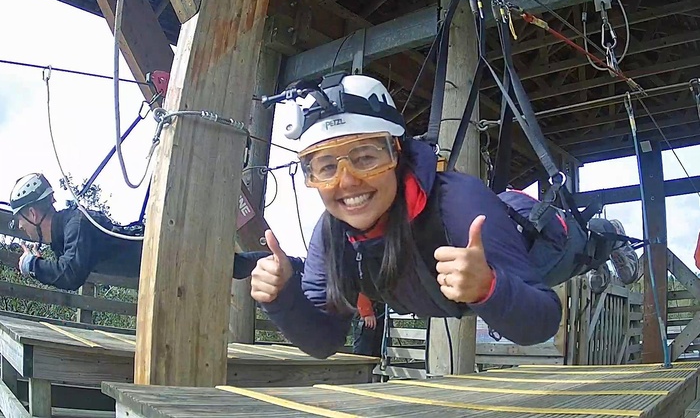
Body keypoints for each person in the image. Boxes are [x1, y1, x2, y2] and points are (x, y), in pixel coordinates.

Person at [249, 72, 641, 359]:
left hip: (532, 236)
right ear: (310, 176)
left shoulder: (459, 204)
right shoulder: (331, 234)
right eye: (325, 167)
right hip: (479, 256)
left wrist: (489, 286)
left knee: (582, 248)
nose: (348, 182)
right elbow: (324, 341)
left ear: (397, 154)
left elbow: (542, 322)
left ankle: (609, 236)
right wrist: (282, 299)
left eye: (367, 157)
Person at [7, 173, 288, 291]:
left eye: (20, 220)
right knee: (236, 267)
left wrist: (32, 266)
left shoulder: (76, 224)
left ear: (33, 213)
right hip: (169, 257)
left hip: (172, 249)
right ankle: (292, 268)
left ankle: (294, 267)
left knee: (236, 266)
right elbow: (68, 260)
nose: (20, 227)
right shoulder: (69, 227)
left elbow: (70, 274)